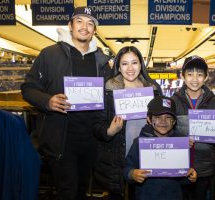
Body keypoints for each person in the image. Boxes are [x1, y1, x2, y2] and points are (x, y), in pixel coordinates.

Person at [21, 7, 113, 200]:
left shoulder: (102, 62)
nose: (84, 27)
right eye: (79, 21)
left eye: (90, 23)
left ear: (94, 30)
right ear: (70, 26)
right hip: (62, 140)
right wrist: (48, 100)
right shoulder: (49, 55)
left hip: (91, 140)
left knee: (81, 191)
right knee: (67, 192)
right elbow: (28, 88)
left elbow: (111, 95)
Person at [93, 46, 162, 199]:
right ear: (118, 66)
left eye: (134, 63)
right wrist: (109, 131)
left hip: (147, 156)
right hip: (117, 159)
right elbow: (96, 124)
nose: (130, 68)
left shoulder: (154, 90)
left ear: (141, 65)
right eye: (124, 64)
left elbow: (167, 123)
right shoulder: (108, 90)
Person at [171, 55, 215, 200]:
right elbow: (166, 130)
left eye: (200, 74)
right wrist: (179, 141)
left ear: (206, 77)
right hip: (179, 164)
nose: (195, 79)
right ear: (182, 76)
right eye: (190, 74)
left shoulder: (214, 101)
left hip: (204, 167)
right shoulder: (174, 101)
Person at [123, 96, 198, 200]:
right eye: (158, 117)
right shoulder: (139, 142)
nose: (163, 121)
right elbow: (127, 168)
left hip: (173, 195)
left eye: (168, 117)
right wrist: (132, 174)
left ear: (174, 121)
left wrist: (191, 176)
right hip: (146, 195)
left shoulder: (181, 145)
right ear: (149, 119)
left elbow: (183, 177)